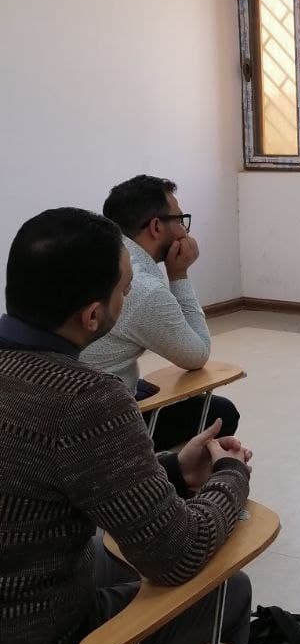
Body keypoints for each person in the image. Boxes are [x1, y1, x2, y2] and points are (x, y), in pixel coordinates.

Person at [0, 208, 258, 644]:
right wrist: (228, 478)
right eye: (123, 289)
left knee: (103, 558)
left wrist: (167, 468)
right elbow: (177, 555)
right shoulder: (82, 397)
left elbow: (48, 486)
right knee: (228, 591)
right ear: (93, 316)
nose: (128, 298)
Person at [82, 175, 239, 448]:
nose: (184, 231)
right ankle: (168, 471)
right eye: (180, 220)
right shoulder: (142, 287)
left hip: (69, 397)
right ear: (156, 226)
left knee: (148, 386)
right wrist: (179, 275)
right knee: (221, 412)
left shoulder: (91, 256)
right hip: (102, 421)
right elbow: (196, 354)